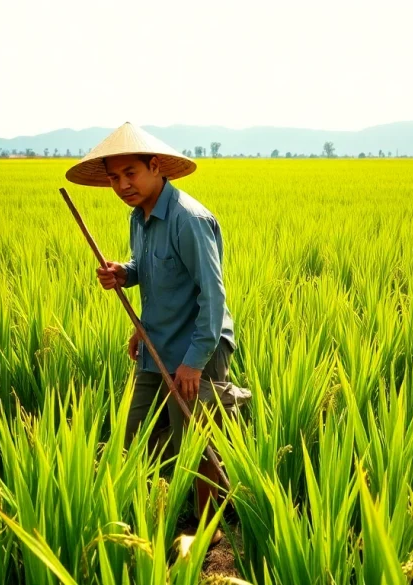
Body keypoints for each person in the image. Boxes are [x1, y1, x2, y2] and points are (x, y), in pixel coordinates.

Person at [65, 122, 248, 533]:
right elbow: (153, 272)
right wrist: (123, 274)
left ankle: (210, 526)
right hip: (155, 342)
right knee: (135, 431)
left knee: (196, 437)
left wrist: (194, 363)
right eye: (114, 177)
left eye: (130, 173)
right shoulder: (139, 217)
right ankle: (151, 511)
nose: (122, 184)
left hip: (197, 348)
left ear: (154, 167)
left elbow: (212, 298)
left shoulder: (189, 219)